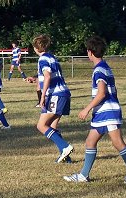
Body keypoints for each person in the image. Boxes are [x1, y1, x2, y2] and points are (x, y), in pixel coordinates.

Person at [63, 36, 126, 184]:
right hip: (103, 112)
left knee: (118, 143)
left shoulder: (99, 70)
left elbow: (102, 93)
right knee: (90, 142)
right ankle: (83, 175)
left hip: (108, 112)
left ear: (90, 52)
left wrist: (86, 109)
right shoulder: (105, 67)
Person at [33, 35, 73, 163]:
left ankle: (65, 147)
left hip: (56, 94)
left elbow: (48, 76)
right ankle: (66, 158)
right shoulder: (52, 57)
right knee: (52, 126)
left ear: (36, 48)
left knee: (41, 125)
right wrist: (35, 79)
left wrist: (42, 96)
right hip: (63, 93)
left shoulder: (43, 59)